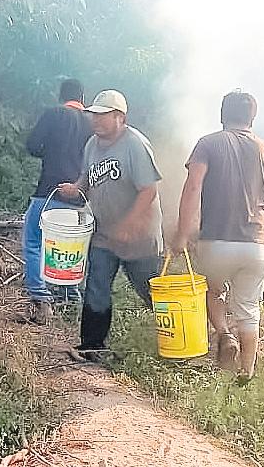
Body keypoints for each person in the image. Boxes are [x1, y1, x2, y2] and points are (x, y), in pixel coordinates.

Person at [172, 90, 264, 383]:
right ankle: (247, 372)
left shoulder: (208, 144)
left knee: (213, 290)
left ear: (222, 115)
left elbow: (193, 187)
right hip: (256, 244)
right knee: (249, 309)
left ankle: (224, 334)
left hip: (216, 241)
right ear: (252, 117)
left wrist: (182, 233)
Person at [59, 90, 163, 361]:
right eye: (94, 115)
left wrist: (128, 225)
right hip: (104, 234)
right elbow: (87, 178)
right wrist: (75, 188)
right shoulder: (92, 145)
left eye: (103, 115)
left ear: (120, 117)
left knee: (152, 290)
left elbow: (148, 191)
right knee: (97, 286)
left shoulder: (135, 145)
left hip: (138, 237)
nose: (96, 120)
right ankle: (92, 346)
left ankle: (180, 337)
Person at [23, 78, 93, 324]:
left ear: (61, 97)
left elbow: (32, 145)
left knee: (34, 242)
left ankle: (41, 300)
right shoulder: (92, 122)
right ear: (82, 98)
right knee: (70, 247)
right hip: (79, 197)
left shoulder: (53, 114)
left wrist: (51, 151)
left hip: (48, 191)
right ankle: (71, 298)